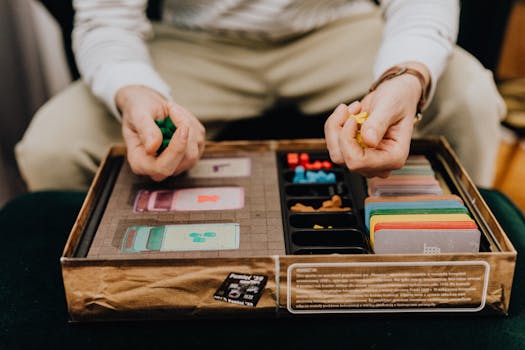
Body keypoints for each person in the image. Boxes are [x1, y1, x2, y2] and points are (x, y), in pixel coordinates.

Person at [15, 0, 506, 190]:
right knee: (54, 145)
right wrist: (133, 91)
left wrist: (407, 76)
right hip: (192, 44)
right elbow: (107, 21)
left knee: (470, 98)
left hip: (342, 28)